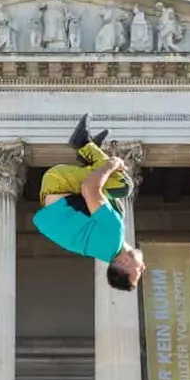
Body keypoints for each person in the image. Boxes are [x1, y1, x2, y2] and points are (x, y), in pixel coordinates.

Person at [32, 115, 145, 291]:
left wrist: (112, 163)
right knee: (118, 208)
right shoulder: (104, 250)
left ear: (124, 261)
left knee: (123, 186)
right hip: (52, 197)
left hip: (58, 181)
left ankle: (84, 144)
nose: (143, 267)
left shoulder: (114, 234)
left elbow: (89, 188)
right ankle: (91, 160)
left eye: (138, 271)